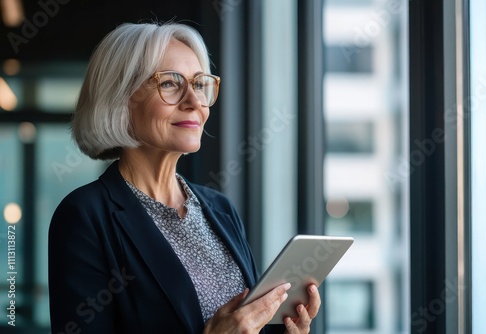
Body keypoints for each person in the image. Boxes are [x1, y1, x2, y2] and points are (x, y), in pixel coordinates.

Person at [48, 22, 321, 334]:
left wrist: (287, 329)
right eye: (170, 84)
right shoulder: (85, 216)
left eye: (199, 84)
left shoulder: (220, 209)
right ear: (120, 96)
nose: (194, 102)